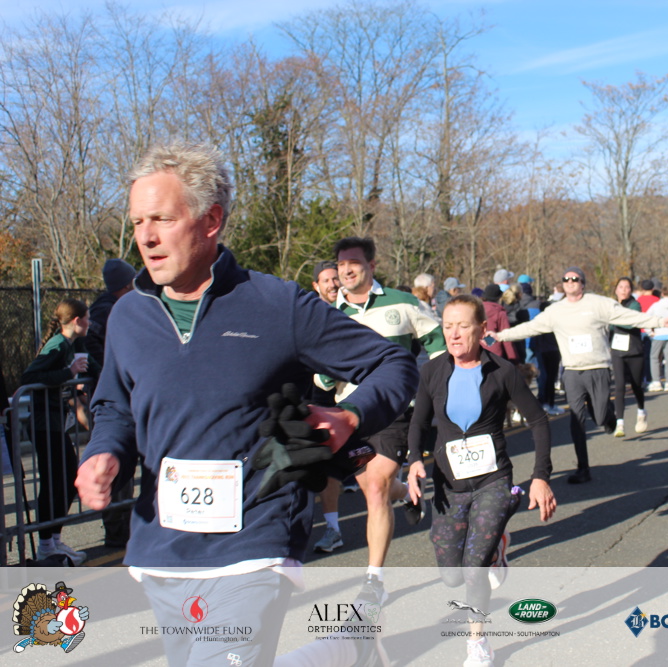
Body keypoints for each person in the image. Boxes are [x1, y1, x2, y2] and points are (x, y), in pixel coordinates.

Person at [75, 144, 417, 666]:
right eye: (138, 221)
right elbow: (114, 408)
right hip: (163, 546)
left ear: (211, 220)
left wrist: (351, 415)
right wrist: (103, 452)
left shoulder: (277, 305)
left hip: (255, 538)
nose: (145, 237)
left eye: (162, 219)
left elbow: (393, 363)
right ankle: (350, 648)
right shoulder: (128, 317)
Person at [406, 295, 556, 667]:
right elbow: (418, 422)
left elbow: (538, 421)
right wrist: (413, 462)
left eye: (463, 326)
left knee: (474, 569)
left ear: (482, 329)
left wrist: (540, 477)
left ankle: (478, 641)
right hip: (449, 486)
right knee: (452, 577)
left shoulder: (502, 371)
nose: (454, 334)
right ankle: (497, 548)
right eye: (448, 326)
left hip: (493, 480)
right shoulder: (432, 371)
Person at [333, 235, 447, 605]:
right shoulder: (329, 314)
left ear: (371, 266)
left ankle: (374, 583)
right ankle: (408, 493)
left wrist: (434, 388)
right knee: (373, 487)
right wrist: (322, 376)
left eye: (354, 263)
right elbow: (319, 369)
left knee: (376, 488)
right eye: (341, 265)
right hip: (349, 414)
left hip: (394, 410)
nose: (346, 270)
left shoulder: (403, 302)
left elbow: (438, 344)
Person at [490, 267, 668, 483]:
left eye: (575, 279)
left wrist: (659, 322)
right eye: (566, 279)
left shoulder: (598, 304)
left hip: (598, 368)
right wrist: (500, 336)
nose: (570, 282)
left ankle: (608, 418)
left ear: (583, 283)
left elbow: (628, 316)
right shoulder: (555, 311)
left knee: (599, 416)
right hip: (572, 372)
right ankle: (582, 468)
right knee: (577, 419)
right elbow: (531, 328)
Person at [22, 298, 100, 565]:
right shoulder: (57, 345)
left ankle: (54, 540)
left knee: (67, 480)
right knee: (55, 481)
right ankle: (46, 545)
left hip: (56, 422)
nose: (90, 323)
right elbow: (29, 378)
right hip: (44, 423)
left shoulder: (74, 343)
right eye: (87, 318)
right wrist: (68, 372)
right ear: (77, 321)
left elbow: (94, 367)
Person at [84, 258, 137, 548]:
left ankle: (125, 527)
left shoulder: (116, 306)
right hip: (114, 399)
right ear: (126, 284)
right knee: (115, 465)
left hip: (125, 395)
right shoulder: (107, 309)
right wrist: (110, 369)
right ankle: (117, 530)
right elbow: (90, 342)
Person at [309, 260, 350, 554]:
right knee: (320, 465)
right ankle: (332, 529)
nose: (333, 284)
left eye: (336, 279)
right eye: (326, 280)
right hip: (314, 395)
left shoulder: (352, 313)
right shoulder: (309, 314)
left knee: (372, 475)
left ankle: (404, 492)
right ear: (316, 286)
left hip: (348, 397)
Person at [610, 278, 648, 437]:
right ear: (616, 290)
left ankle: (641, 412)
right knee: (619, 386)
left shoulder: (635, 305)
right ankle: (620, 423)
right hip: (617, 351)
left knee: (636, 385)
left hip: (634, 351)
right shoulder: (611, 305)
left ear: (631, 290)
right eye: (621, 287)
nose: (624, 290)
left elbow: (631, 323)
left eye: (627, 287)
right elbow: (608, 327)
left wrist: (613, 320)